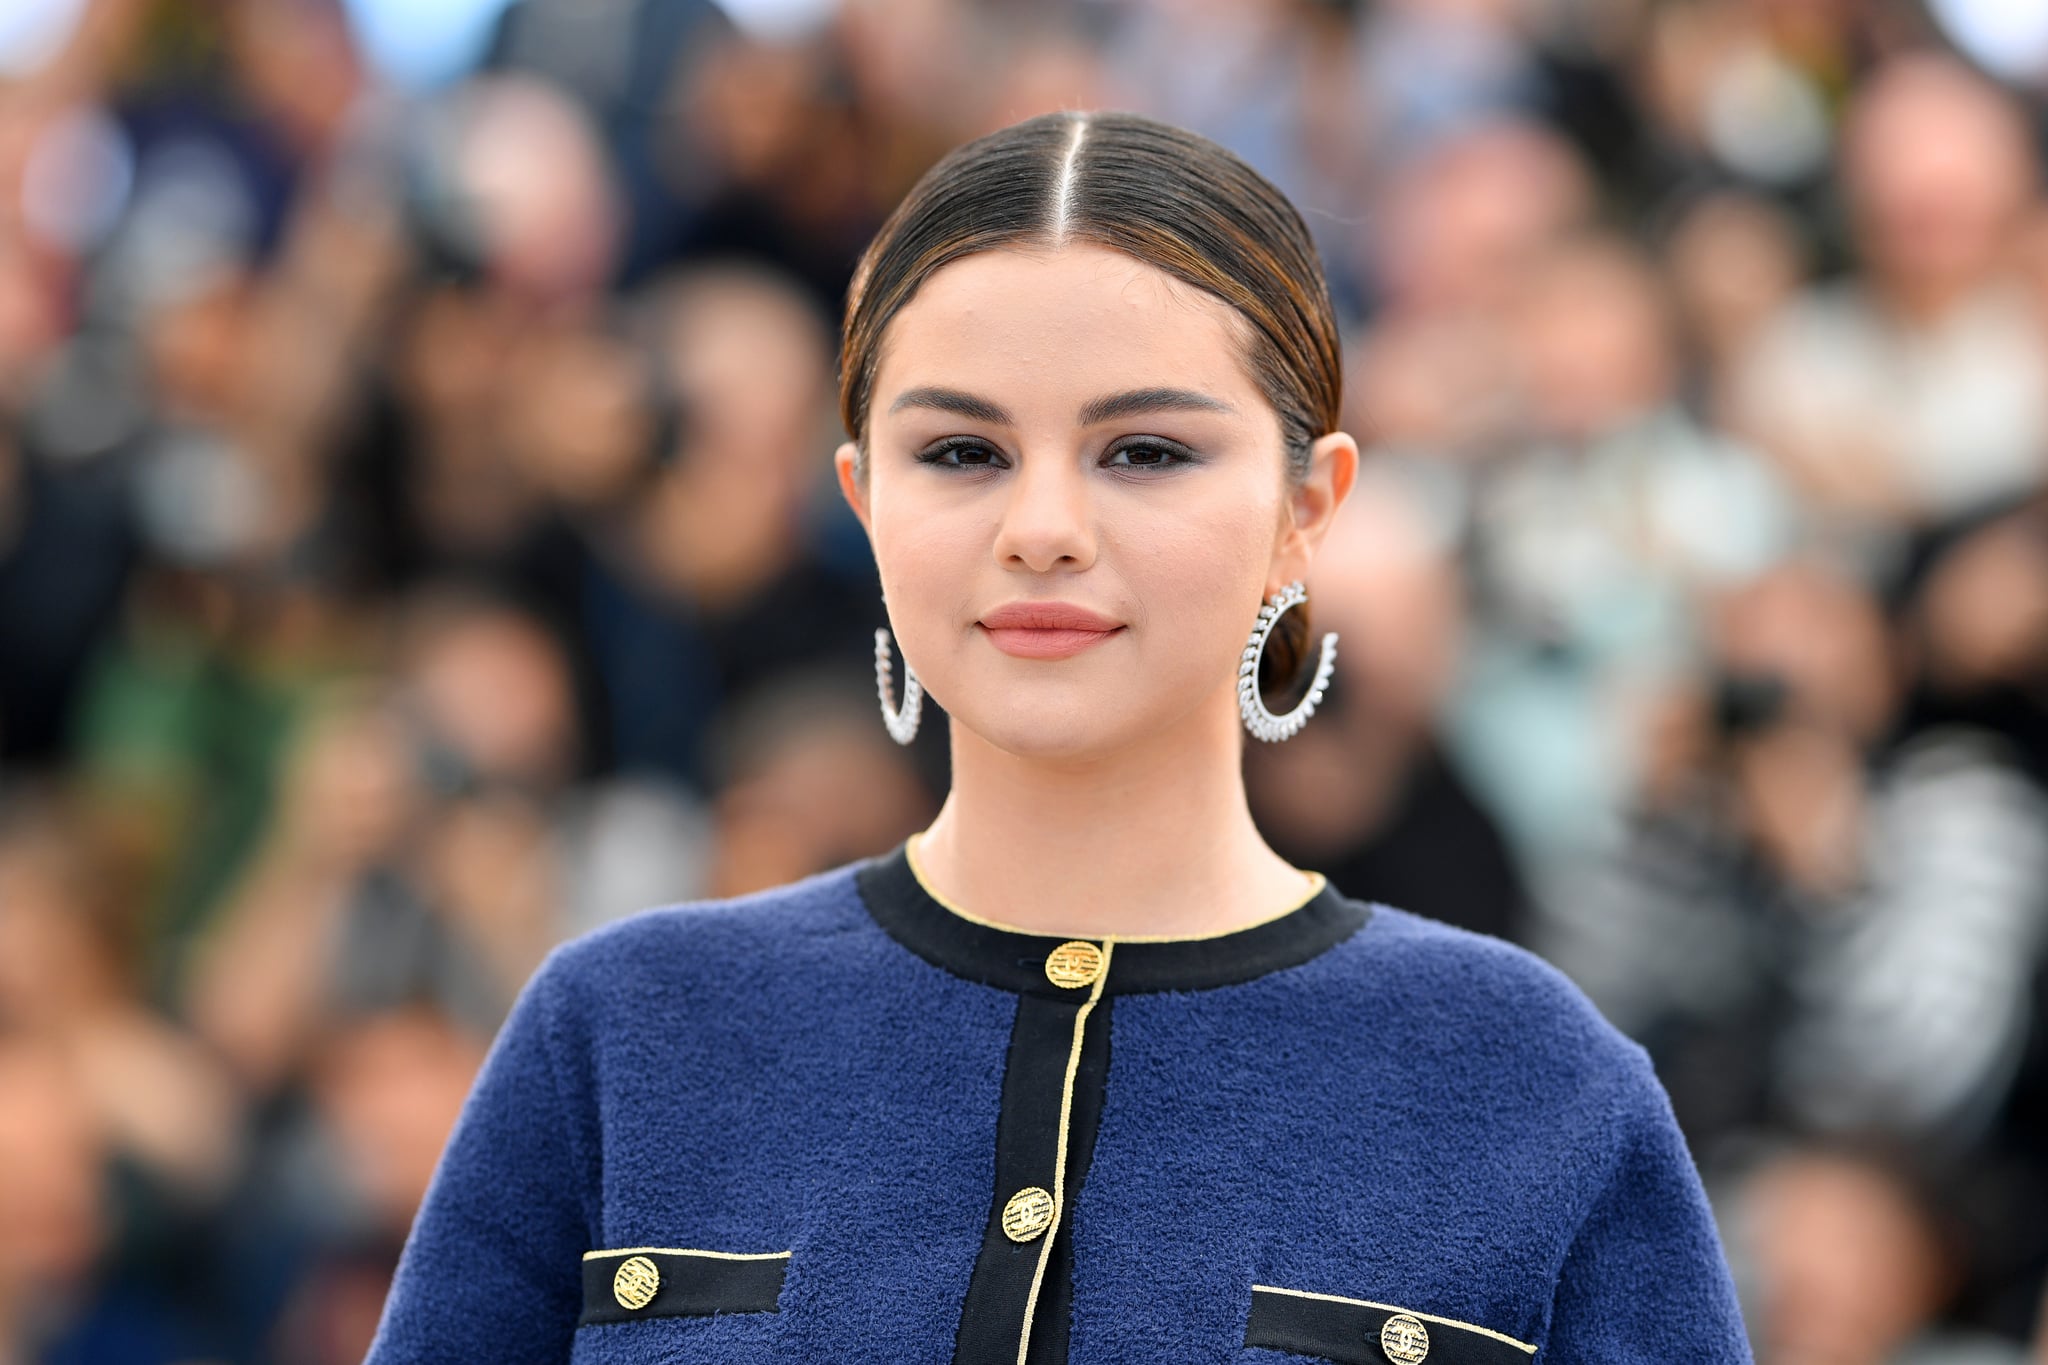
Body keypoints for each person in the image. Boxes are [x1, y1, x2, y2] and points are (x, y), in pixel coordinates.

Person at [364, 110, 1750, 1364]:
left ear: (1305, 507)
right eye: (959, 451)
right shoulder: (623, 1033)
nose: (1042, 527)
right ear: (862, 499)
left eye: (1146, 450)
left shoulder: (1527, 1078)